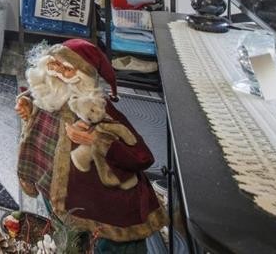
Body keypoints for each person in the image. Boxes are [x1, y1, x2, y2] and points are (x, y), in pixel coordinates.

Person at [15, 39, 166, 252]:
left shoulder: (95, 111)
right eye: (52, 65)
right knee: (68, 238)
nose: (56, 72)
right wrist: (28, 106)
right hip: (52, 186)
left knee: (107, 246)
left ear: (83, 76)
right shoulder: (50, 96)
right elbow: (39, 99)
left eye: (66, 69)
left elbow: (142, 158)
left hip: (99, 207)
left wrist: (96, 139)